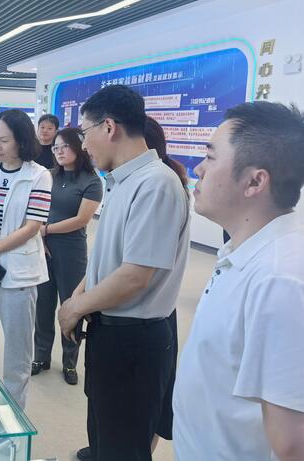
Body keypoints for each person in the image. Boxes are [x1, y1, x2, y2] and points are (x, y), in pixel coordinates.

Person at [57, 85, 190, 461]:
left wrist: (74, 307)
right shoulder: (121, 181)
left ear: (109, 127)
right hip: (110, 333)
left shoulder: (155, 184)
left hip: (134, 340)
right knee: (103, 435)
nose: (84, 144)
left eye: (84, 132)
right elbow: (107, 259)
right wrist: (78, 297)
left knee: (124, 447)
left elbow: (134, 276)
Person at [173, 101, 304, 461]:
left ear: (255, 181)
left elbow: (292, 444)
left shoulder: (279, 278)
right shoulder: (245, 251)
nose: (198, 168)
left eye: (210, 157)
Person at [0, 108, 52, 410]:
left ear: (21, 140)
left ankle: (13, 414)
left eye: (4, 140)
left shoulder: (39, 176)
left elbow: (32, 227)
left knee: (17, 351)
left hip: (18, 272)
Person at [32, 127, 103, 385]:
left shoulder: (91, 181)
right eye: (56, 147)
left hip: (71, 251)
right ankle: (41, 356)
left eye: (64, 146)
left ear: (79, 147)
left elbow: (81, 219)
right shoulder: (49, 176)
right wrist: (40, 236)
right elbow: (37, 209)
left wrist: (45, 230)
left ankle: (70, 362)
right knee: (43, 304)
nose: (59, 151)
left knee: (71, 305)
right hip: (44, 248)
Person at [143, 116, 189, 453]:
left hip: (154, 310)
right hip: (152, 308)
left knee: (150, 397)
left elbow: (139, 271)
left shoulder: (160, 186)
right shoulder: (135, 182)